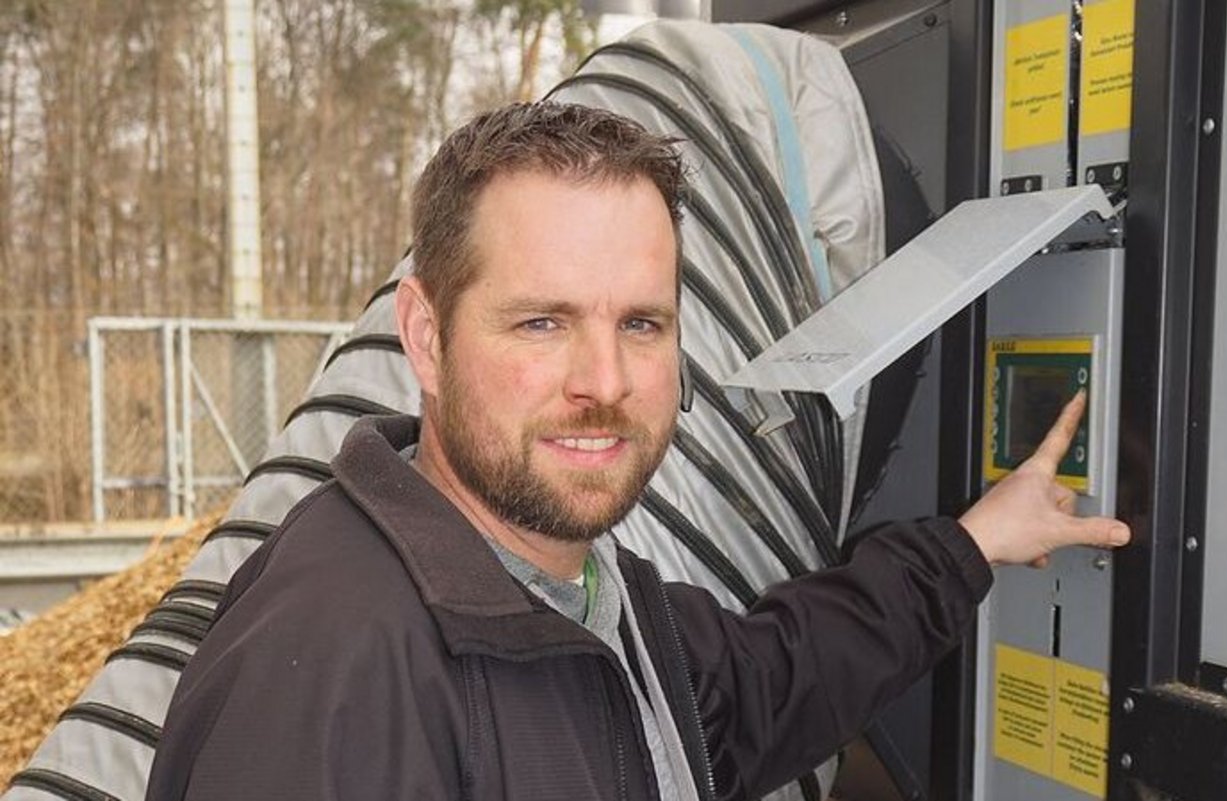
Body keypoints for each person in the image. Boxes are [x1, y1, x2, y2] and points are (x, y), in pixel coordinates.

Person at [144, 102, 1129, 801]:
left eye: (642, 325)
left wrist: (966, 544)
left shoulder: (581, 591)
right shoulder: (336, 677)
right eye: (541, 324)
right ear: (425, 337)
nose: (604, 382)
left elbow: (759, 686)